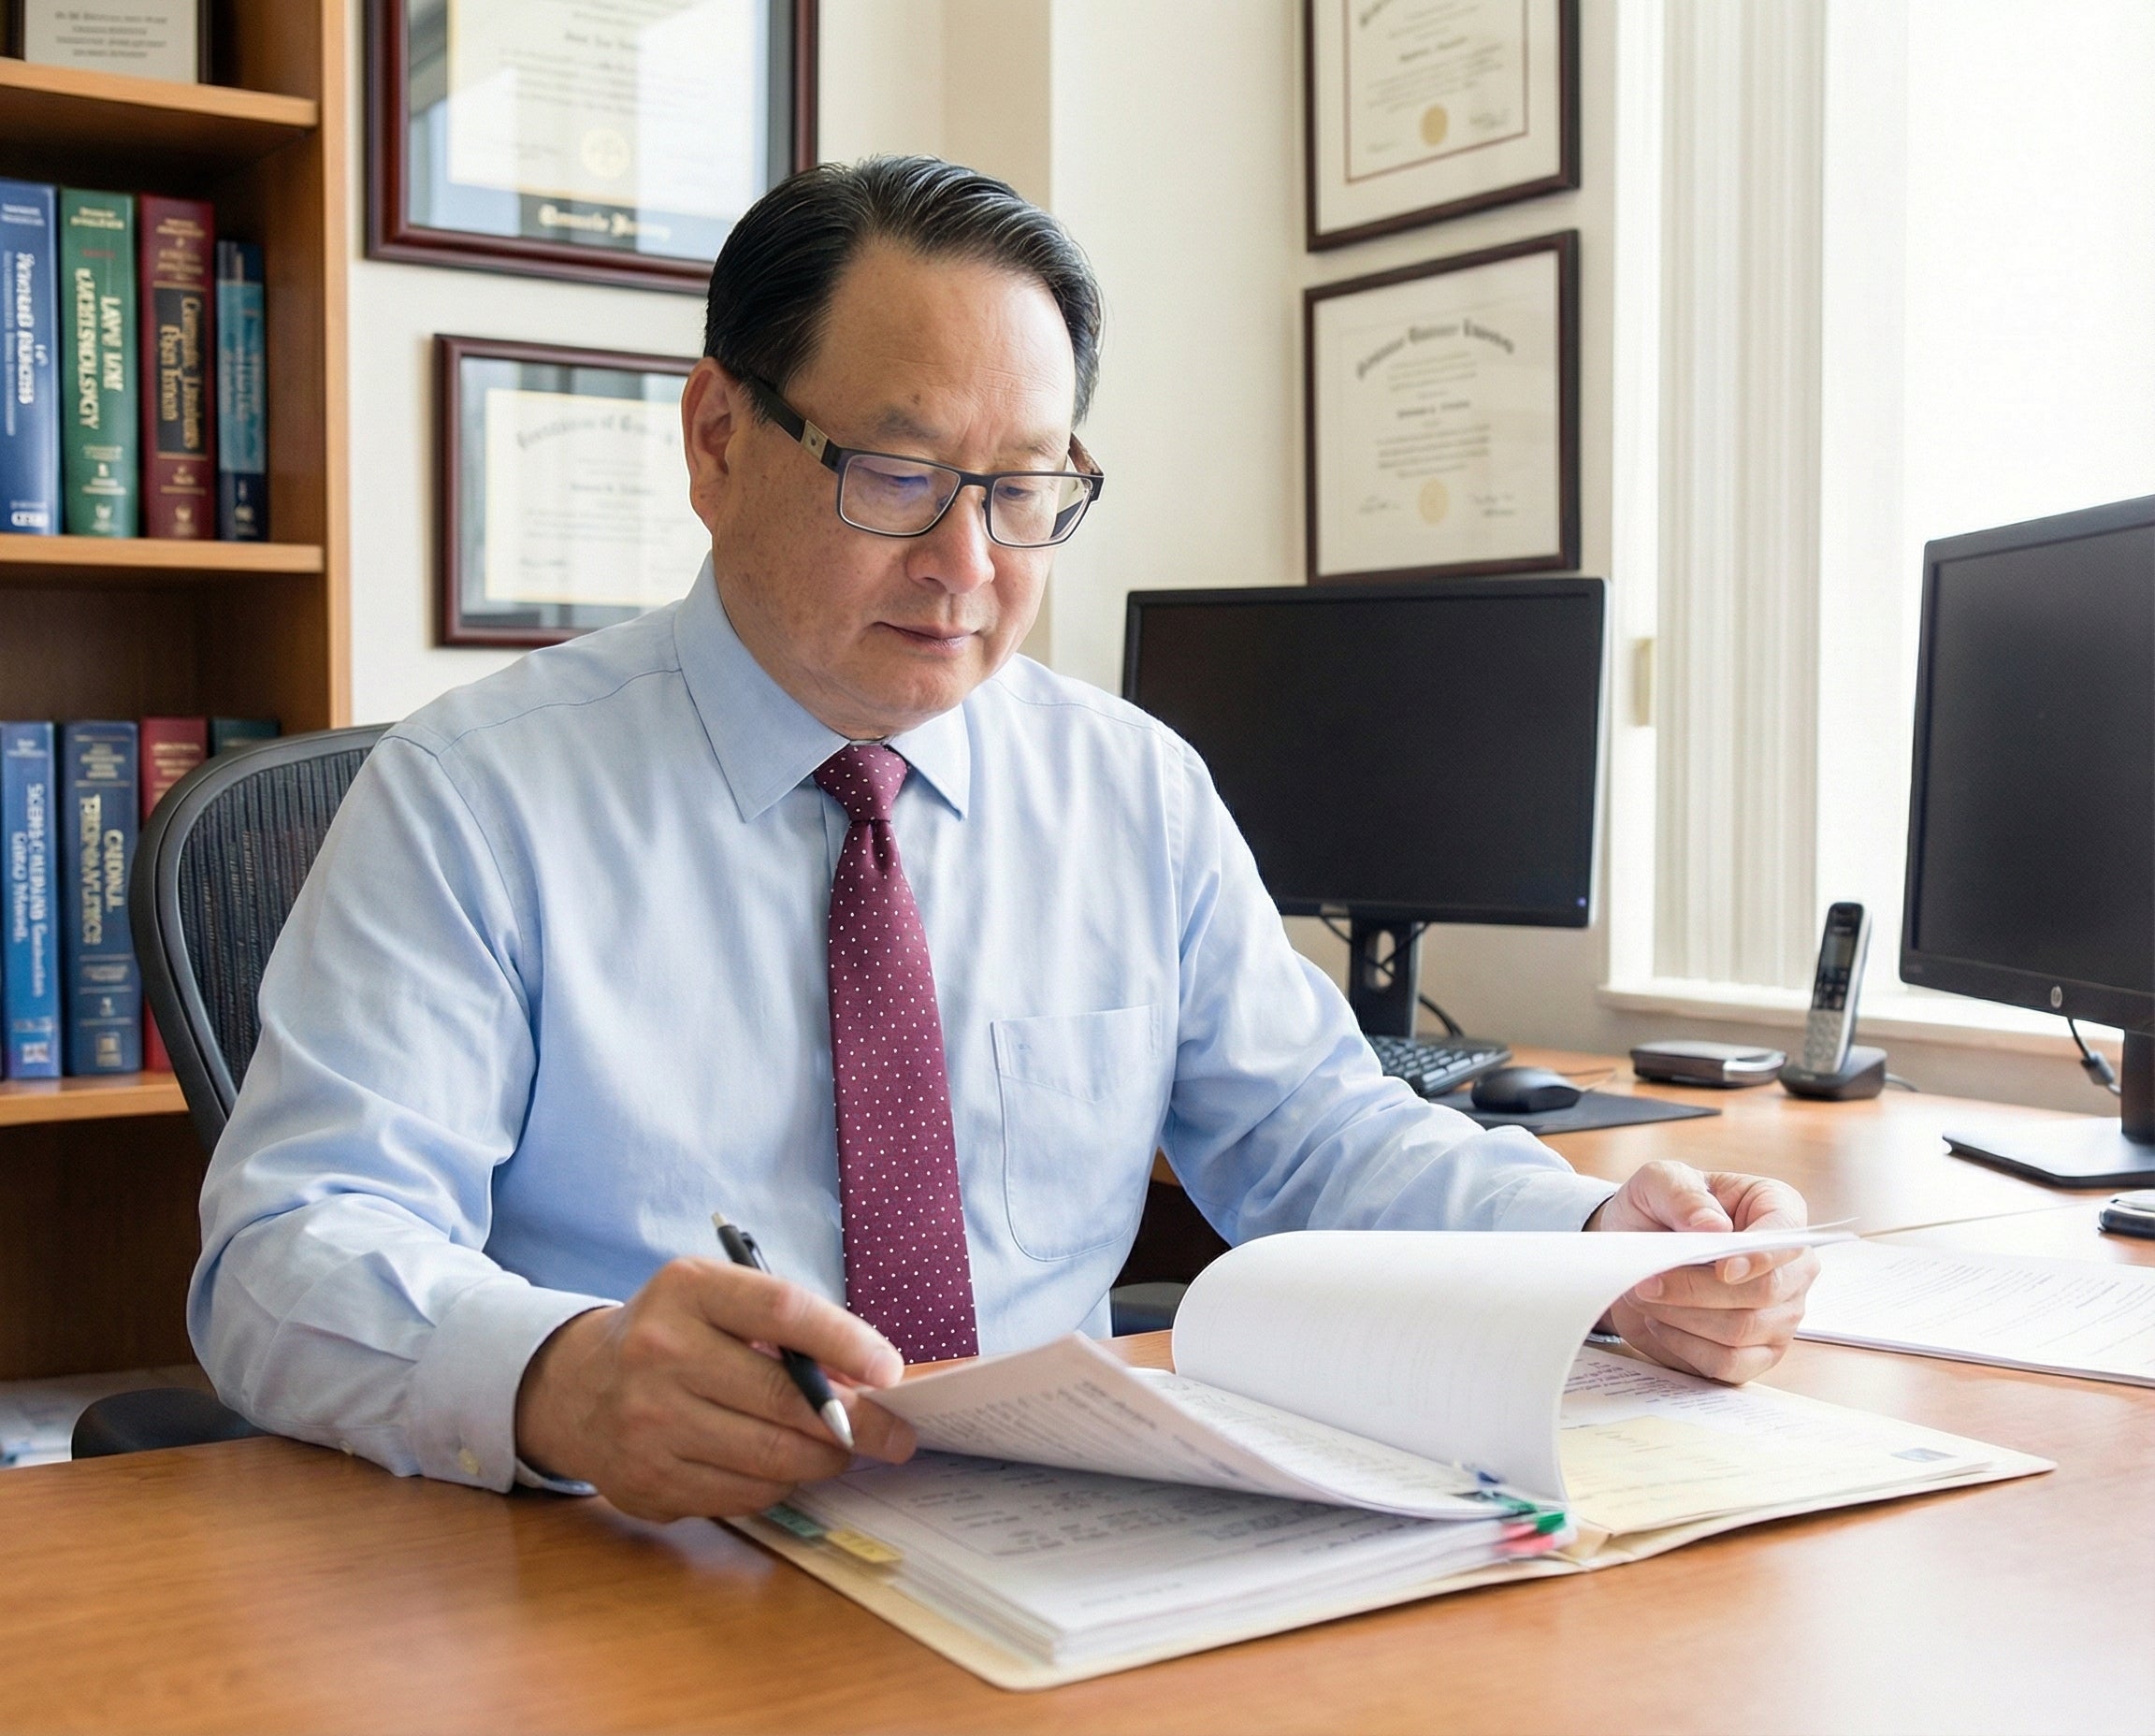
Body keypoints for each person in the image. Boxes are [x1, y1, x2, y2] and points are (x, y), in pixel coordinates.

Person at [192, 156, 1817, 1524]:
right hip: (650, 1560)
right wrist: (555, 1379)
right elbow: (286, 1257)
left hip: (1062, 1543)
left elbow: (1322, 1144)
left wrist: (1597, 1248)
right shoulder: (476, 796)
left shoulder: (1132, 791)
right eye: (897, 474)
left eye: (1029, 487)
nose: (967, 565)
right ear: (715, 439)